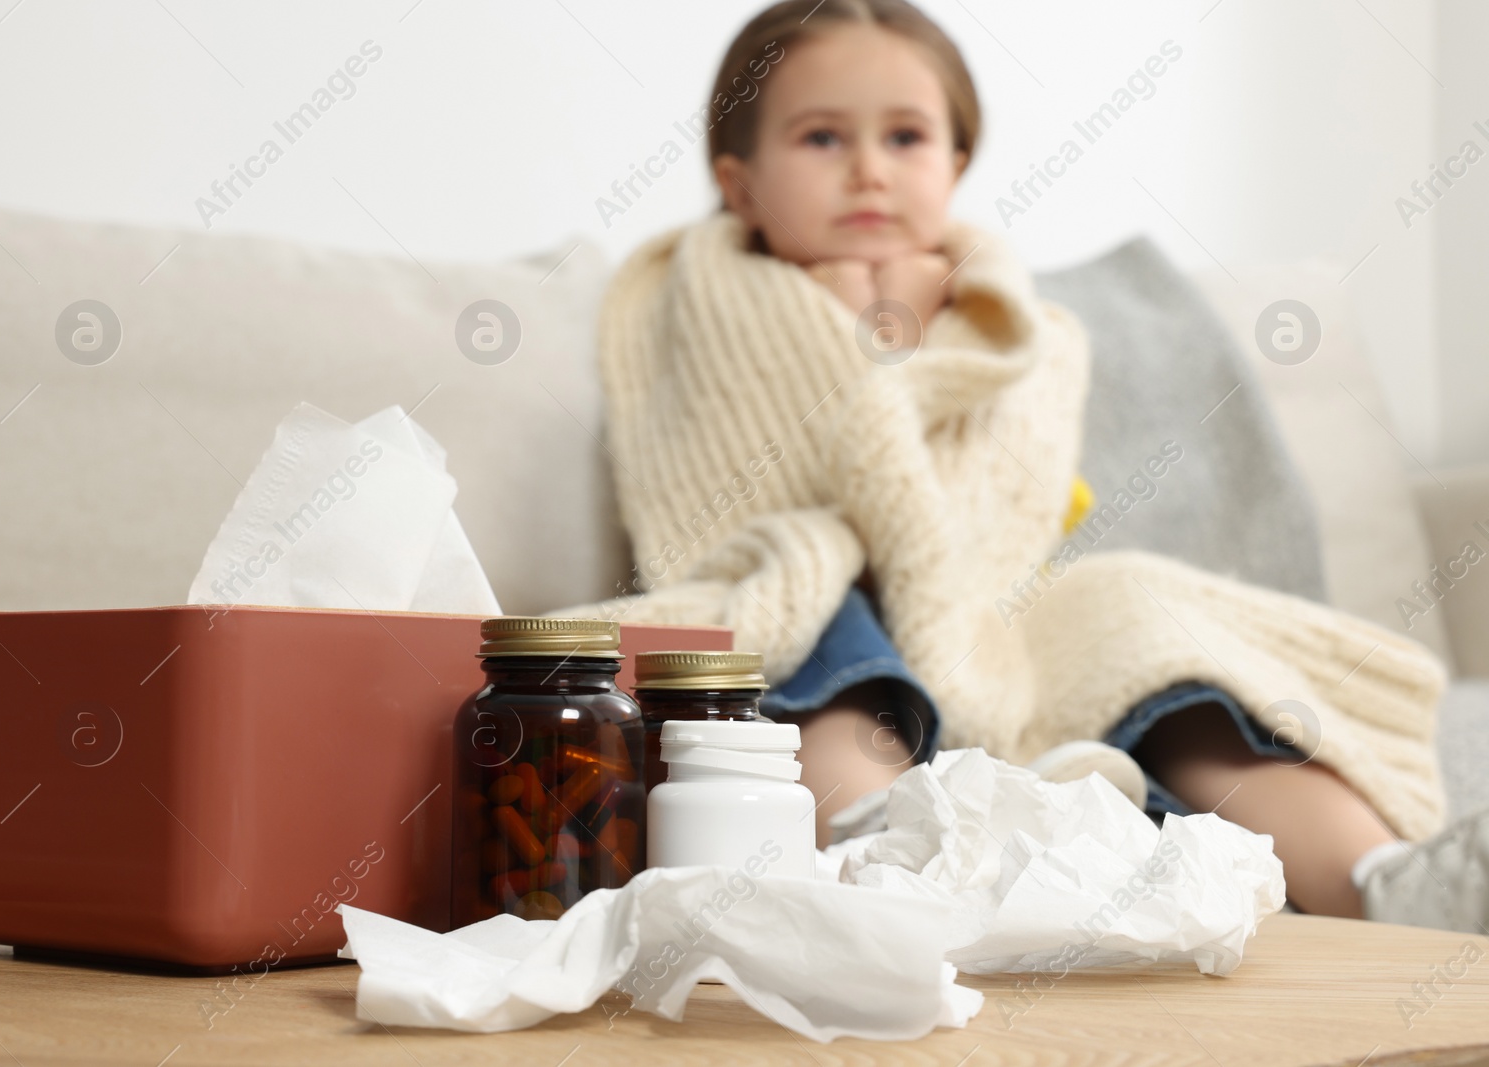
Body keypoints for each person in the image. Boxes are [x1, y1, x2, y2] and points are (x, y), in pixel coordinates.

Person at [558, 0, 1487, 931]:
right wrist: (882, 341)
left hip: (993, 622)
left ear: (955, 164)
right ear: (741, 183)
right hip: (826, 627)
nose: (870, 169)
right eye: (822, 138)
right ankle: (893, 851)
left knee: (1135, 624)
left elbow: (980, 523)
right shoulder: (701, 307)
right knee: (821, 612)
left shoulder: (1026, 328)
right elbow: (772, 498)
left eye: (908, 136)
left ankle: (1383, 881)